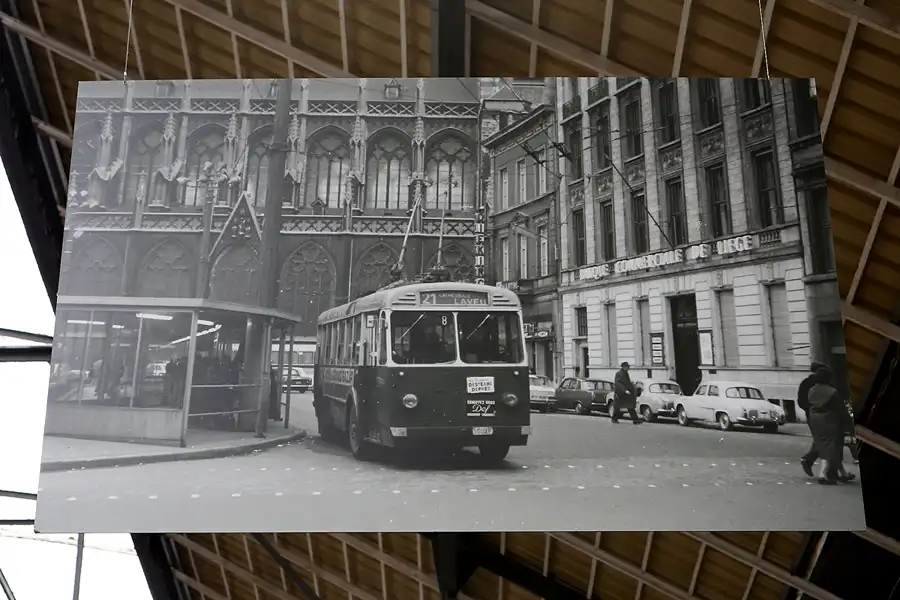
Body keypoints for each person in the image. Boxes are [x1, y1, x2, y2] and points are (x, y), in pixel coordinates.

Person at [806, 366, 847, 485]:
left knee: (823, 446)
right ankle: (823, 474)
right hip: (830, 421)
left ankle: (840, 473)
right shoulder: (832, 392)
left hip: (815, 420)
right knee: (831, 447)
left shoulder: (812, 390)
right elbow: (840, 408)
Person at [799, 361, 827, 476]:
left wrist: (809, 410)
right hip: (823, 416)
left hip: (811, 415)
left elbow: (801, 401)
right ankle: (809, 459)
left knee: (820, 439)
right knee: (825, 440)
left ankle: (810, 460)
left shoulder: (805, 383)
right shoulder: (822, 384)